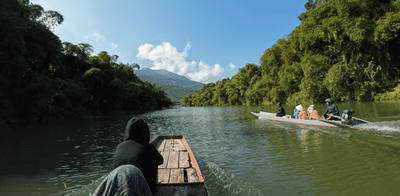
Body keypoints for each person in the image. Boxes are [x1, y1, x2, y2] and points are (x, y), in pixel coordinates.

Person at [112, 118, 163, 194]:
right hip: (142, 191)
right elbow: (161, 160)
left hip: (119, 190)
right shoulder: (148, 148)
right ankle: (153, 190)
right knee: (154, 161)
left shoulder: (119, 146)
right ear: (145, 132)